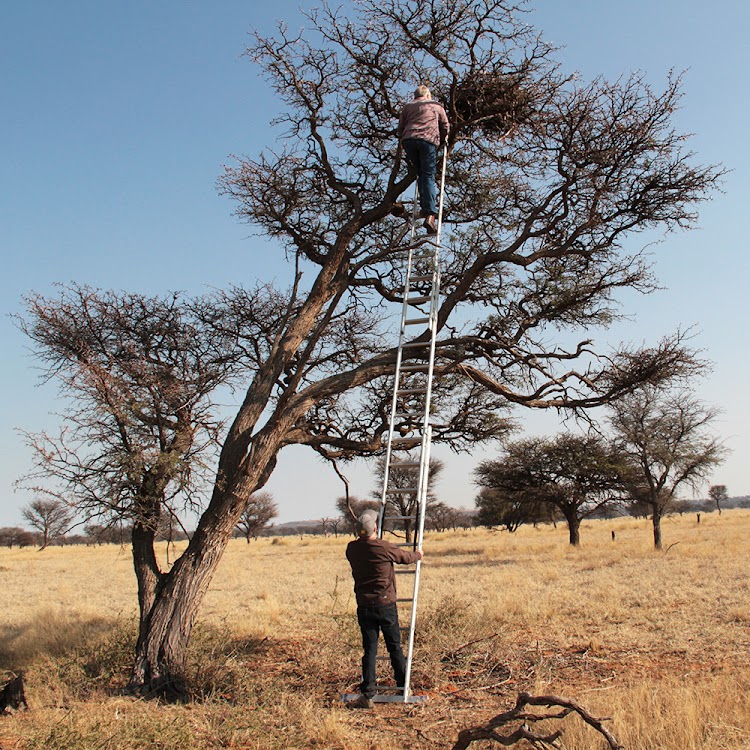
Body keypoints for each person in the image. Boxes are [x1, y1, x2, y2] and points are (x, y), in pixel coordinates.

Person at [345, 509, 424, 708]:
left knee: (370, 650)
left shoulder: (351, 549)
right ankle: (403, 685)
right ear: (375, 528)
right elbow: (405, 558)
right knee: (394, 646)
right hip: (385, 604)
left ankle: (368, 694)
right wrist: (418, 554)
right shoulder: (383, 547)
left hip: (364, 605)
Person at [397, 84, 450, 235]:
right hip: (428, 141)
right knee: (428, 175)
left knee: (421, 174)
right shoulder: (435, 105)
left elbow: (400, 129)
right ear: (427, 95)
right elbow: (445, 125)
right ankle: (430, 214)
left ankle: (425, 208)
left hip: (409, 141)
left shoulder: (408, 107)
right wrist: (444, 137)